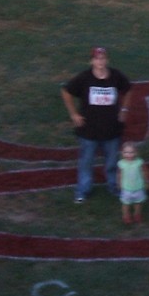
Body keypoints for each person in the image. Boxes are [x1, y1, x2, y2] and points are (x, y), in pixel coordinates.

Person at [61, 46, 132, 204]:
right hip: (89, 131)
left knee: (112, 162)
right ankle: (83, 190)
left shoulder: (116, 76)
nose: (100, 61)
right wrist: (74, 114)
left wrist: (124, 109)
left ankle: (114, 187)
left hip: (112, 129)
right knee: (86, 163)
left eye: (103, 58)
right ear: (91, 61)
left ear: (107, 60)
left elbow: (128, 89)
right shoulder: (84, 78)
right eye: (97, 58)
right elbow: (66, 92)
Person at [117, 142, 149, 224]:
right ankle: (126, 215)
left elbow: (145, 172)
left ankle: (137, 214)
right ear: (122, 153)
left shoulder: (139, 162)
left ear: (136, 153)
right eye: (126, 152)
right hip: (126, 188)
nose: (128, 155)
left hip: (138, 187)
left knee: (138, 202)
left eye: (131, 152)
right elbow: (119, 174)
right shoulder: (121, 163)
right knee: (126, 203)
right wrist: (119, 183)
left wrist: (147, 181)